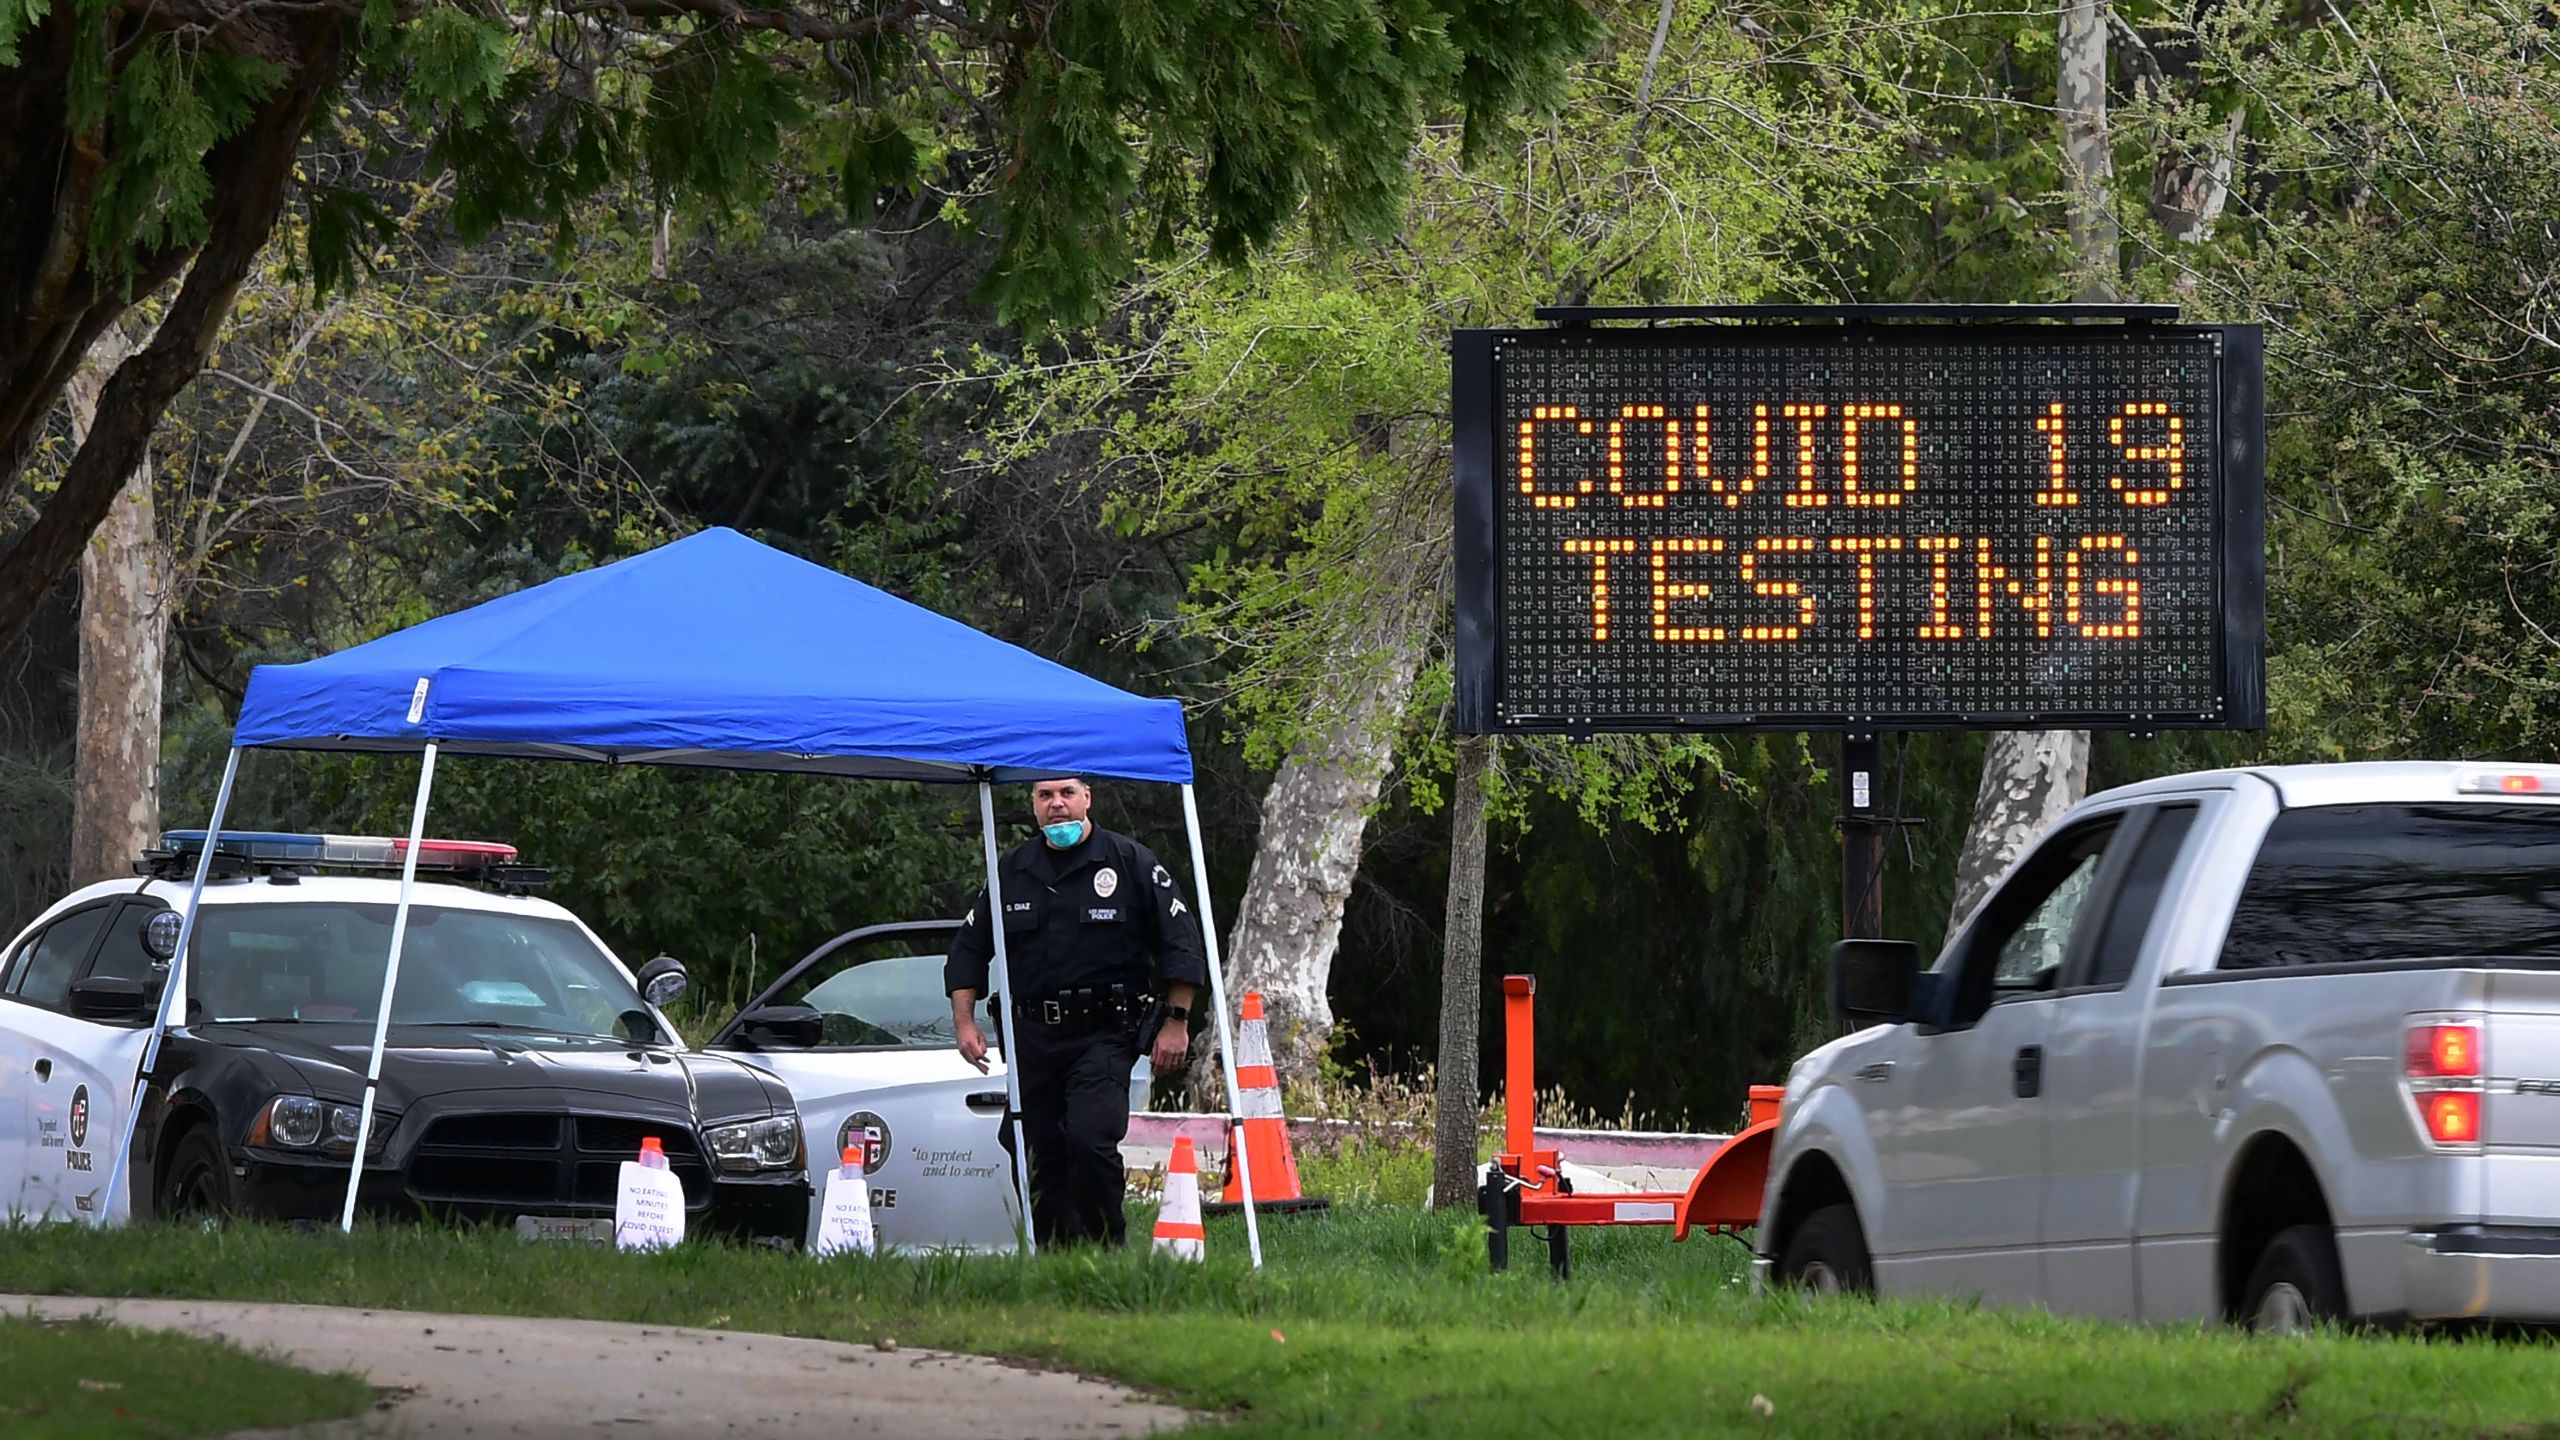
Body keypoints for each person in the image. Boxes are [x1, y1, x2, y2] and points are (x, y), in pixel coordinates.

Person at [945, 774, 1205, 1247]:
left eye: (1067, 794)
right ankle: (1056, 1259)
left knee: (1089, 1141)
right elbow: (968, 950)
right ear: (1033, 805)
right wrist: (965, 1021)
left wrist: (1176, 1022)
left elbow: (1180, 944)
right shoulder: (1013, 870)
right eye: (1045, 796)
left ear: (1088, 798)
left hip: (1103, 1032)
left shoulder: (1129, 863)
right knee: (1034, 1149)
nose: (1057, 805)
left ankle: (1106, 1251)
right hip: (1032, 1037)